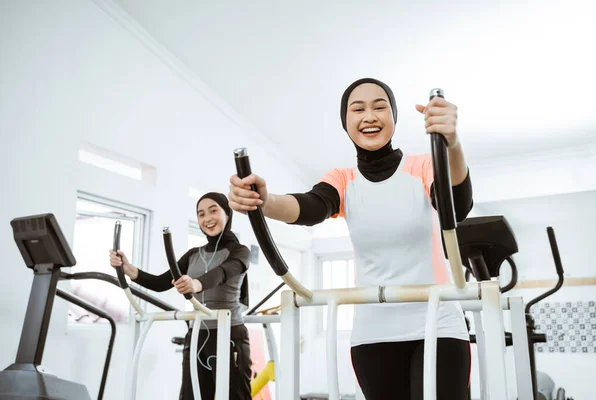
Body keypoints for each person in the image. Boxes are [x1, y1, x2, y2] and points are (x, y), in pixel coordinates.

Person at [228, 78, 473, 400]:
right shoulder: (343, 180)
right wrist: (265, 200)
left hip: (439, 322)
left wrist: (451, 145)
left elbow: (456, 202)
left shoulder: (423, 165)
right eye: (358, 109)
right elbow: (310, 206)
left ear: (394, 117)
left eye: (379, 106)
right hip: (374, 333)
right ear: (346, 122)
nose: (369, 115)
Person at [109, 192, 252, 400]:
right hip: (196, 337)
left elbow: (223, 273)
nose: (207, 219)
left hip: (229, 336)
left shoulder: (240, 251)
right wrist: (129, 269)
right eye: (201, 214)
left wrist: (195, 283)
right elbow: (160, 282)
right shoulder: (194, 254)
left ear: (227, 214)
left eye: (214, 211)